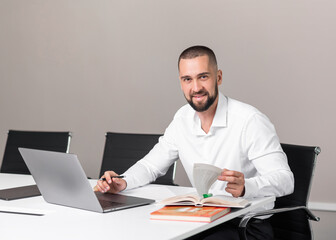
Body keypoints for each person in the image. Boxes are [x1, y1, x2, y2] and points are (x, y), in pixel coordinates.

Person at [96, 45, 294, 239]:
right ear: (181, 83)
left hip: (245, 226)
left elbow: (285, 179)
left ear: (219, 77)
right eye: (187, 79)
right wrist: (123, 182)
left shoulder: (250, 121)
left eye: (203, 77)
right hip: (202, 218)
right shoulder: (182, 119)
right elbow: (150, 166)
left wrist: (246, 187)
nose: (196, 87)